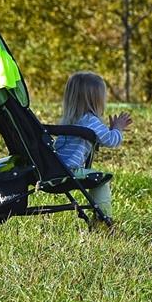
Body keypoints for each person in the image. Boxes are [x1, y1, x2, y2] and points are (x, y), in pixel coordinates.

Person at [52, 71, 131, 216]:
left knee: (96, 177)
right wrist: (118, 128)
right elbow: (111, 140)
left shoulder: (68, 120)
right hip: (69, 171)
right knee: (101, 180)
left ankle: (100, 217)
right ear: (96, 100)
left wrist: (111, 129)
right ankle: (103, 219)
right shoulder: (90, 120)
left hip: (53, 168)